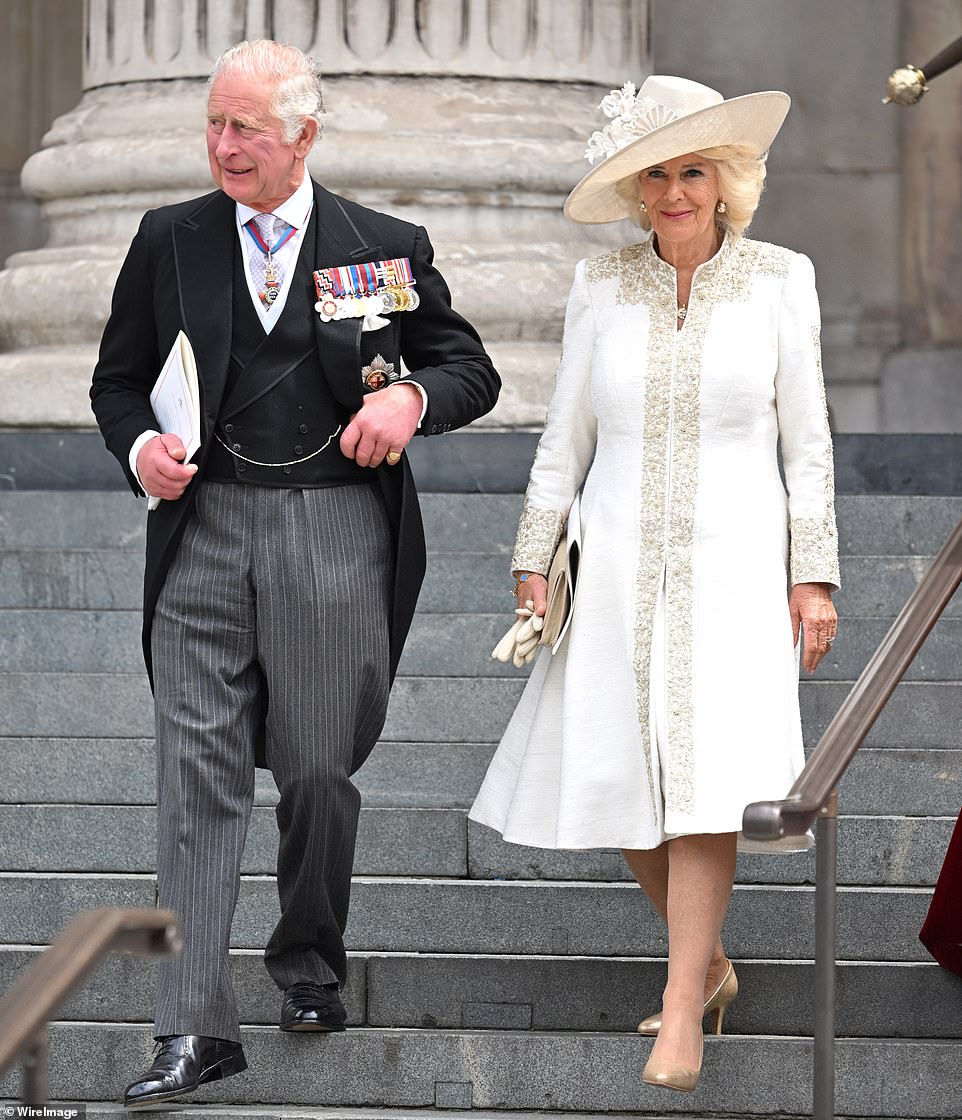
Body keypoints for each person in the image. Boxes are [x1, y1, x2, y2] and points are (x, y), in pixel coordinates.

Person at [90, 39, 499, 1109]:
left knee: (318, 770)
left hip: (332, 531)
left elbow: (467, 365)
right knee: (196, 781)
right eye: (214, 126)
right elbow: (117, 382)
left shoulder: (379, 244)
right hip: (203, 530)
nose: (225, 146)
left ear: (302, 135)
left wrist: (407, 402)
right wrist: (141, 452)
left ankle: (309, 960)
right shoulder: (167, 238)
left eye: (247, 129)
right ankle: (191, 1025)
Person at [469, 75, 839, 1093]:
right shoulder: (598, 288)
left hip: (732, 559)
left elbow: (805, 446)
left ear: (726, 182)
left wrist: (811, 578)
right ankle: (710, 965)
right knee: (611, 767)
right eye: (655, 175)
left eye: (691, 171)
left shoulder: (777, 281)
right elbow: (565, 436)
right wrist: (532, 555)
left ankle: (680, 1006)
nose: (673, 191)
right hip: (618, 552)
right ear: (634, 192)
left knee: (705, 782)